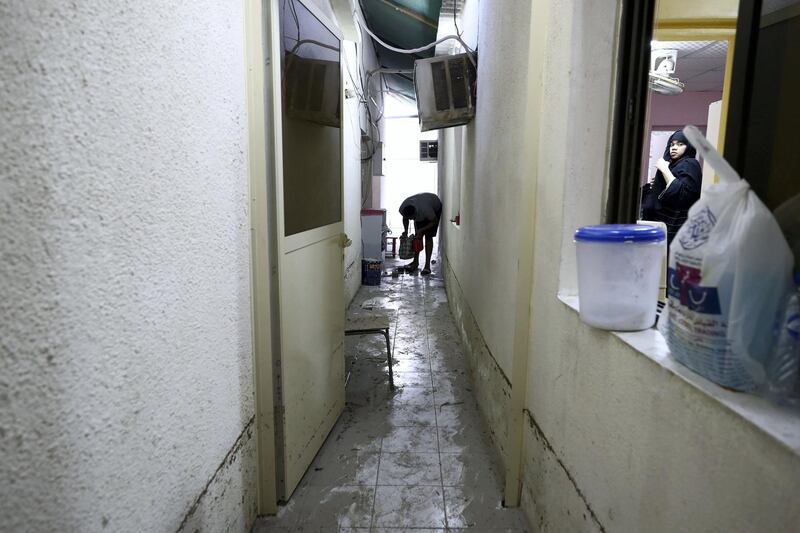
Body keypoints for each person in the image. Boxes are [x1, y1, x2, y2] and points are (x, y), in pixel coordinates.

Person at [641, 129, 702, 244]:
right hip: (665, 223)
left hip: (676, 226)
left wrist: (665, 170)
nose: (674, 148)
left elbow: (684, 195)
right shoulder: (673, 164)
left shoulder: (690, 164)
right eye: (672, 144)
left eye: (680, 144)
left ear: (689, 146)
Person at [399, 192, 442, 275]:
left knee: (428, 237)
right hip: (422, 205)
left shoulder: (426, 210)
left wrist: (422, 230)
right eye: (409, 219)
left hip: (434, 210)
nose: (411, 220)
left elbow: (434, 221)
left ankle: (427, 266)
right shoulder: (403, 208)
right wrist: (405, 231)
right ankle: (415, 262)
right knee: (417, 237)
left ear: (416, 213)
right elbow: (405, 219)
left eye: (412, 218)